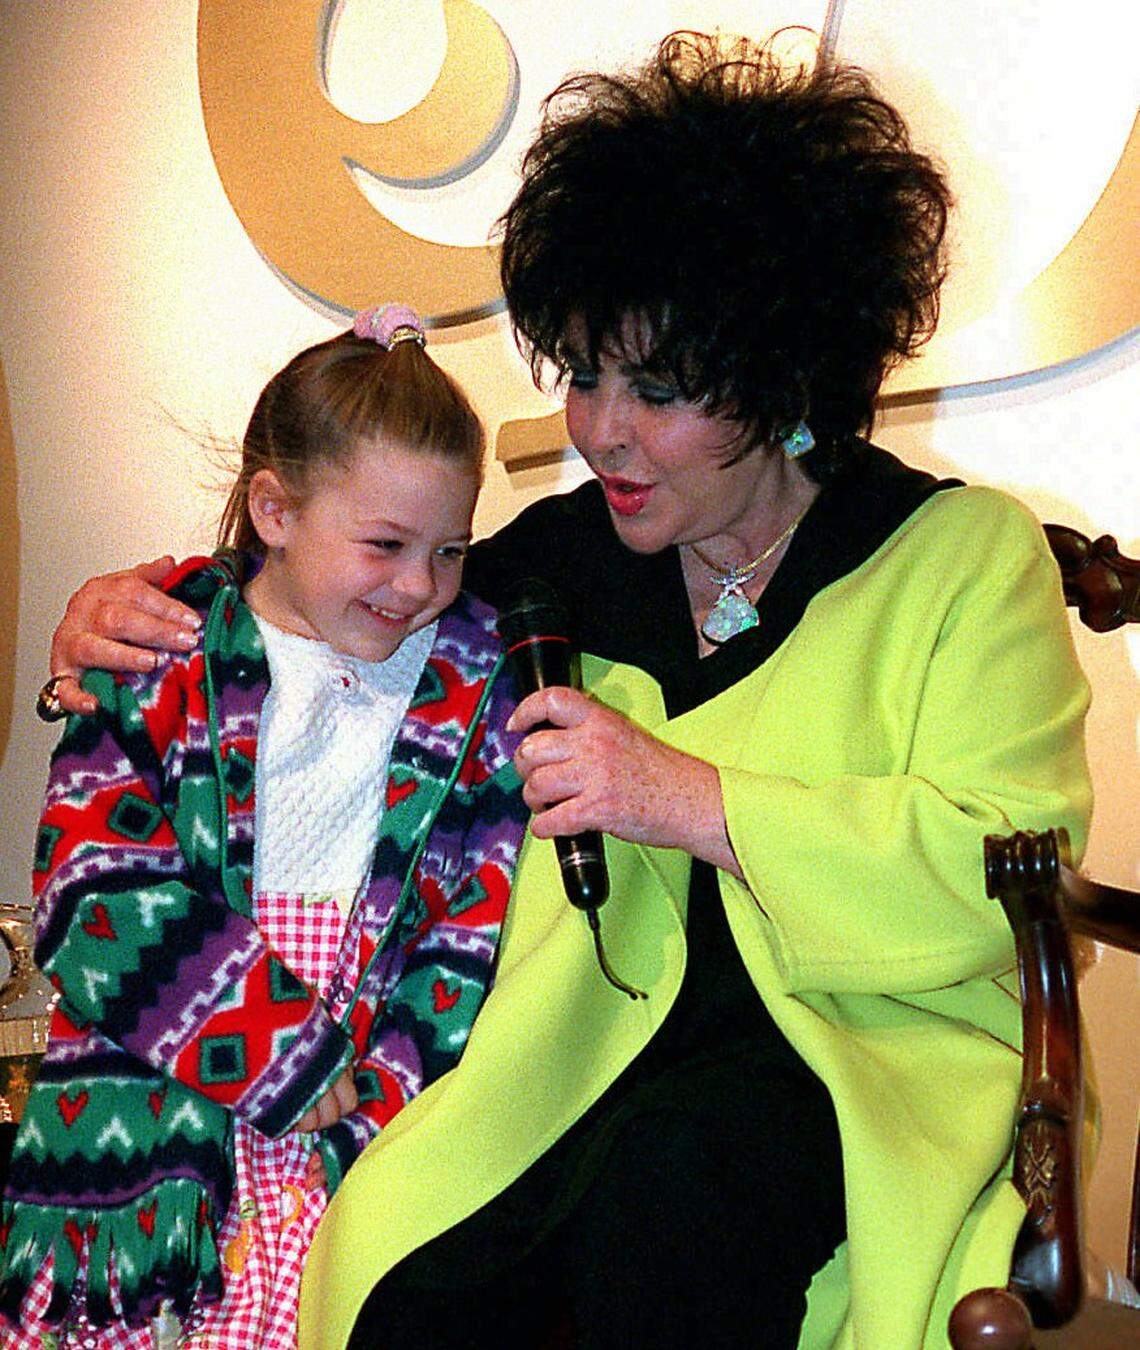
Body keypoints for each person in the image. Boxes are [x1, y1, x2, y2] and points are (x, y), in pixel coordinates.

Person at [41, 31, 1092, 1350]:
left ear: (784, 375)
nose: (602, 430)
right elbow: (336, 594)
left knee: (670, 1201)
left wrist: (697, 800)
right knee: (415, 1284)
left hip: (860, 1054)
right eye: (586, 373)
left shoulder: (959, 559)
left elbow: (1014, 862)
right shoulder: (553, 565)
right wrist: (140, 603)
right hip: (580, 1043)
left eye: (657, 388)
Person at [3, 303, 529, 1349]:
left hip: (371, 1115)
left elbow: (472, 925)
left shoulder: (479, 684)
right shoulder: (159, 647)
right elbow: (91, 892)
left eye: (453, 550)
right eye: (384, 544)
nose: (420, 585)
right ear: (276, 511)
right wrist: (280, 1048)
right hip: (151, 1123)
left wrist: (379, 1097)